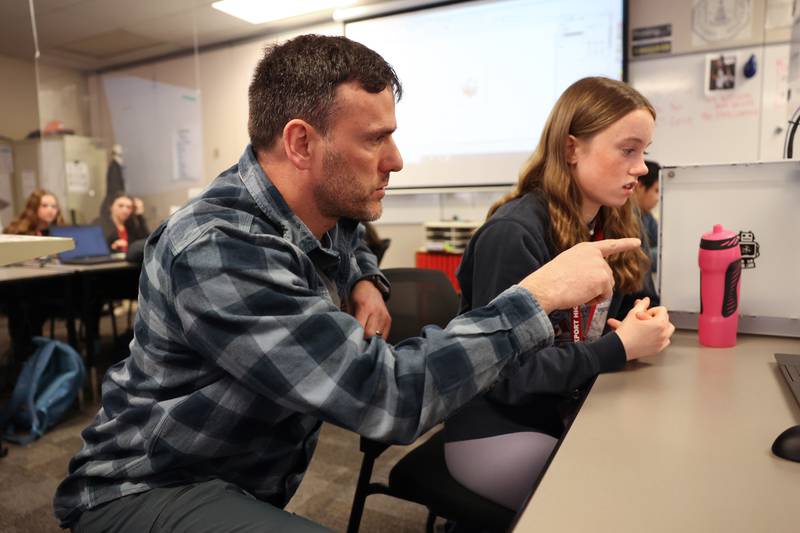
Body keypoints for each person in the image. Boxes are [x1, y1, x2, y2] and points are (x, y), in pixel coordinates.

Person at [53, 36, 650, 532]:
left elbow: (348, 244)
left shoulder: (318, 208)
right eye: (374, 139)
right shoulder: (217, 246)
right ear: (301, 143)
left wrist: (368, 282)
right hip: (146, 489)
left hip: (242, 481)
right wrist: (538, 297)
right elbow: (387, 398)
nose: (396, 159)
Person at [443, 77, 675, 512]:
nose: (642, 167)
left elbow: (644, 304)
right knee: (616, 505)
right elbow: (508, 376)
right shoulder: (513, 234)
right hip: (499, 424)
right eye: (628, 150)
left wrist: (646, 323)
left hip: (576, 406)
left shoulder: (621, 223)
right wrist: (618, 349)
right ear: (571, 149)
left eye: (643, 151)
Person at [635, 160, 661, 271]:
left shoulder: (646, 216)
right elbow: (639, 259)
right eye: (656, 190)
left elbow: (661, 242)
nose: (658, 198)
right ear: (640, 186)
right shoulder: (625, 218)